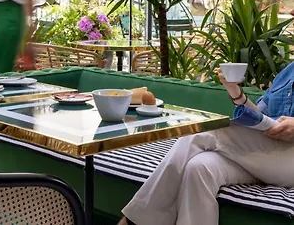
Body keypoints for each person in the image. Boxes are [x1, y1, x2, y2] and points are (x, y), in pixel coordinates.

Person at [118, 62, 294, 225]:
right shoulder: (288, 72)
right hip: (267, 156)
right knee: (199, 167)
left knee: (201, 131)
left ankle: (137, 220)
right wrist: (235, 91)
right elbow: (261, 118)